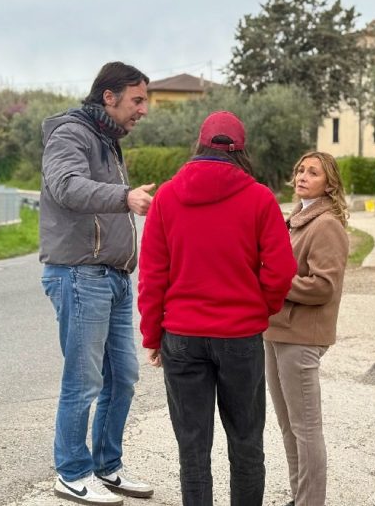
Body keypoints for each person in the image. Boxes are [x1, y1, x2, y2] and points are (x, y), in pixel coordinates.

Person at [138, 111, 297, 506]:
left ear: (200, 144)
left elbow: (152, 275)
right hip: (239, 336)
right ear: (241, 150)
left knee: (192, 448)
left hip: (181, 336)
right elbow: (281, 270)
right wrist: (258, 310)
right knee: (246, 443)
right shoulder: (260, 197)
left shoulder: (167, 198)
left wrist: (152, 335)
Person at [39, 62, 155, 505]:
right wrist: (123, 197)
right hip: (79, 274)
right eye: (137, 99)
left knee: (122, 377)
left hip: (114, 276)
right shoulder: (70, 133)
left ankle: (106, 467)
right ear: (109, 96)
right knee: (84, 379)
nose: (143, 110)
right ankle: (71, 472)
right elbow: (66, 187)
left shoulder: (107, 139)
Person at [264, 151, 350, 506]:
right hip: (276, 331)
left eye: (312, 173)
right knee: (288, 426)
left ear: (329, 184)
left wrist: (272, 283)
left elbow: (323, 286)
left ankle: (311, 502)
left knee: (306, 429)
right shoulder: (297, 217)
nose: (302, 176)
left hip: (301, 336)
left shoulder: (326, 223)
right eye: (300, 169)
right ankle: (300, 497)